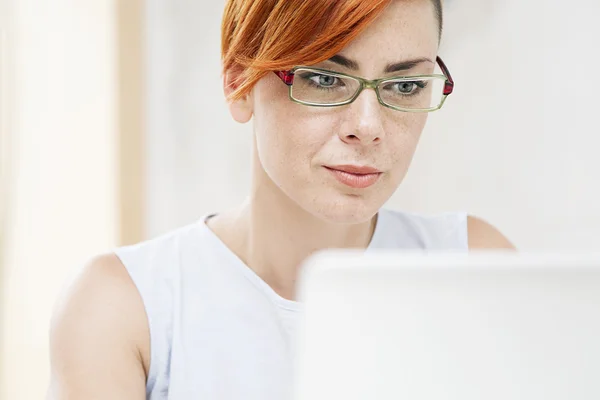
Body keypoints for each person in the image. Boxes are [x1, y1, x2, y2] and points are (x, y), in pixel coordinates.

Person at [47, 0, 515, 399]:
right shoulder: (124, 307)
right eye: (326, 79)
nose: (368, 127)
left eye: (405, 86)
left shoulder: (475, 265)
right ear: (239, 82)